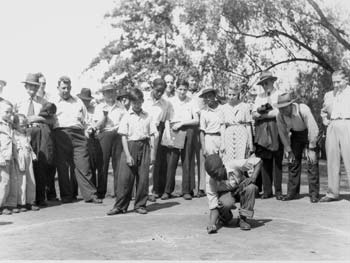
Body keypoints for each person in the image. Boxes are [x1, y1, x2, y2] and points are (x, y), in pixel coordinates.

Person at [107, 88, 158, 215]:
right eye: (134, 102)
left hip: (145, 146)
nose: (137, 105)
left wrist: (152, 153)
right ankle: (120, 206)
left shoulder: (148, 116)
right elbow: (123, 136)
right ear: (130, 102)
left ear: (142, 101)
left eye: (139, 102)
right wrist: (128, 155)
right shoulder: (126, 116)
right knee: (125, 179)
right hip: (130, 146)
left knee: (143, 178)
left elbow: (152, 135)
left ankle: (140, 205)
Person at [52, 76, 101, 204]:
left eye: (68, 88)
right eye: (63, 88)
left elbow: (86, 120)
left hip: (78, 134)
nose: (66, 90)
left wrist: (88, 130)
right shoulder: (53, 102)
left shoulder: (78, 101)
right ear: (58, 88)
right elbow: (48, 119)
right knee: (63, 167)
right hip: (61, 133)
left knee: (83, 165)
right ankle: (67, 196)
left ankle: (90, 195)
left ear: (71, 88)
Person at [276, 93, 320, 203]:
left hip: (309, 133)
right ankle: (292, 193)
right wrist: (288, 149)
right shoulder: (280, 115)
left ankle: (314, 194)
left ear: (291, 105)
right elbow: (282, 133)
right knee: (293, 163)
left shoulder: (303, 109)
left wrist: (312, 147)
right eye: (280, 108)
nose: (282, 110)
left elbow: (313, 128)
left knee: (312, 162)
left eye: (285, 107)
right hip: (295, 135)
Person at [14, 73, 49, 207]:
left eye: (35, 86)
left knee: (40, 163)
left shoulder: (43, 101)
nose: (33, 89)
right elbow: (16, 119)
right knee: (25, 166)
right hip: (23, 133)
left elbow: (48, 118)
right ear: (26, 86)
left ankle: (39, 198)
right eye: (30, 86)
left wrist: (35, 118)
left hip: (39, 133)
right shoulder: (18, 101)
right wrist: (28, 120)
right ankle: (24, 201)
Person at [205, 153, 261, 233]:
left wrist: (253, 177)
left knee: (251, 188)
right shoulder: (210, 181)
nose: (215, 177)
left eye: (216, 174)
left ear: (222, 166)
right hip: (225, 196)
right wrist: (212, 224)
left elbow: (258, 161)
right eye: (212, 175)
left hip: (240, 190)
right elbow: (213, 206)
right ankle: (224, 218)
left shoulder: (234, 165)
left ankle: (243, 219)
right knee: (226, 202)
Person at [162, 79, 199, 200]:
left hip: (187, 129)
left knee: (187, 160)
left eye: (185, 89)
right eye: (180, 89)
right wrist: (167, 135)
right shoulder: (170, 101)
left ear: (187, 90)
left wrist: (183, 123)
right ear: (176, 89)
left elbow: (196, 120)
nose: (182, 92)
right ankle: (167, 191)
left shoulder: (192, 101)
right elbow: (167, 120)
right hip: (174, 130)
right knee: (171, 162)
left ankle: (186, 190)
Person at [252, 71, 284, 200]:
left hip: (276, 127)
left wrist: (263, 115)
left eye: (267, 82)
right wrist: (259, 113)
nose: (265, 85)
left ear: (272, 81)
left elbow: (278, 112)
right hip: (262, 128)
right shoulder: (259, 96)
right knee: (265, 160)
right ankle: (267, 190)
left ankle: (279, 190)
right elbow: (254, 113)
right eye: (263, 84)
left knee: (277, 160)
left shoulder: (279, 94)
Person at [320, 70, 350, 202]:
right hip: (332, 127)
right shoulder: (328, 95)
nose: (336, 85)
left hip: (347, 124)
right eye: (334, 82)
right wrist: (324, 119)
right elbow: (323, 111)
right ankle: (332, 193)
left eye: (339, 81)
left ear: (346, 80)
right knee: (332, 160)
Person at [93, 84, 125, 199]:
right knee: (102, 164)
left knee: (118, 164)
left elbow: (125, 122)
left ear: (115, 93)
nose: (110, 94)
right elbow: (97, 126)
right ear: (103, 94)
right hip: (104, 134)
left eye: (112, 92)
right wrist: (105, 116)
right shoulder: (99, 107)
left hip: (117, 135)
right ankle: (101, 191)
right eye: (107, 92)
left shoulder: (121, 106)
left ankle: (117, 191)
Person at [143, 78, 170, 201]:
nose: (160, 94)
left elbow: (164, 122)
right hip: (141, 130)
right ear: (152, 87)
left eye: (162, 91)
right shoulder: (143, 98)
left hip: (156, 133)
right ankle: (136, 191)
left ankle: (149, 191)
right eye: (158, 90)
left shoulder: (165, 104)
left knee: (152, 162)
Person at [12, 114, 39, 212]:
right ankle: (21, 203)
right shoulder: (14, 134)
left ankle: (30, 201)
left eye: (25, 125)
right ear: (15, 125)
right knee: (21, 181)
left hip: (28, 157)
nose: (24, 127)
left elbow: (29, 145)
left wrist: (33, 153)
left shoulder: (27, 134)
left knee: (31, 179)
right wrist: (18, 161)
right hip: (20, 157)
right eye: (21, 125)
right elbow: (15, 149)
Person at [221, 84, 253, 163]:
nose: (231, 97)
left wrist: (250, 143)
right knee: (229, 162)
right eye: (229, 94)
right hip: (228, 135)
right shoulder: (223, 108)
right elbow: (222, 126)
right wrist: (222, 143)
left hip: (242, 134)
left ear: (238, 94)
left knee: (241, 160)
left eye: (234, 95)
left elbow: (248, 125)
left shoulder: (245, 106)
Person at [187, 68, 206, 197]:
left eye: (195, 80)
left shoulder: (202, 93)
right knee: (188, 158)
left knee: (201, 158)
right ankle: (189, 187)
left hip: (200, 128)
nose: (193, 82)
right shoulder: (185, 94)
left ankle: (202, 188)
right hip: (188, 128)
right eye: (191, 80)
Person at [0, 100, 17, 215]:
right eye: (6, 112)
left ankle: (9, 204)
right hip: (3, 157)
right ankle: (1, 205)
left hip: (11, 156)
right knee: (4, 182)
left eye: (11, 112)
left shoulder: (10, 125)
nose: (9, 115)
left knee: (12, 181)